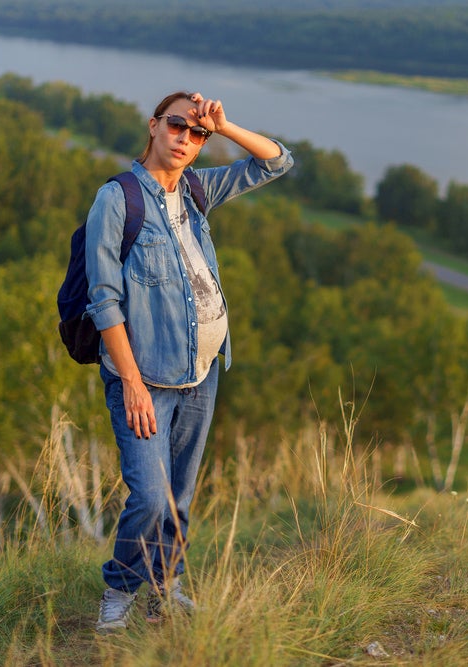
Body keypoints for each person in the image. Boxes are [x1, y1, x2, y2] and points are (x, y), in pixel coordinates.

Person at [85, 91, 293, 633]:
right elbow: (104, 299)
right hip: (145, 377)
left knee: (178, 495)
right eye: (177, 126)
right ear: (153, 126)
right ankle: (120, 587)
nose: (186, 138)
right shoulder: (119, 199)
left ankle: (164, 584)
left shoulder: (198, 189)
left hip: (202, 372)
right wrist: (129, 381)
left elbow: (276, 160)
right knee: (150, 496)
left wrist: (224, 127)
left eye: (196, 133)